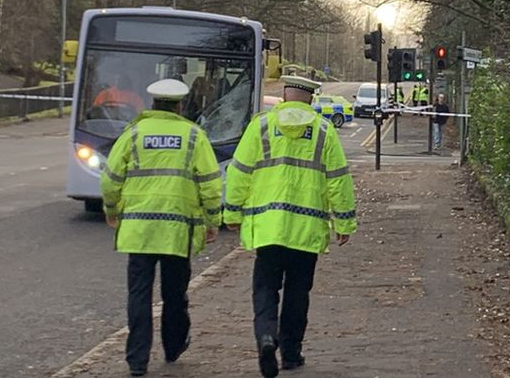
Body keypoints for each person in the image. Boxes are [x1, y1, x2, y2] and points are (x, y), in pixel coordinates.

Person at [224, 75, 357, 378]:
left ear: (284, 95)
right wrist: (344, 221)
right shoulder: (324, 131)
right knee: (298, 293)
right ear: (310, 98)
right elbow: (338, 179)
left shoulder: (260, 126)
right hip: (306, 230)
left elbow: (239, 172)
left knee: (265, 288)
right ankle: (292, 354)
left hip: (268, 229)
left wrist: (232, 213)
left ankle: (266, 337)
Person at [100, 78, 223, 377]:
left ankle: (137, 360)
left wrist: (112, 210)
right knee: (175, 293)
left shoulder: (133, 134)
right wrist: (212, 220)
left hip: (139, 231)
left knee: (139, 295)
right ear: (180, 106)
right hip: (176, 231)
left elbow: (110, 179)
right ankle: (173, 345)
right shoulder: (194, 136)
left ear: (152, 104)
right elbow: (210, 183)